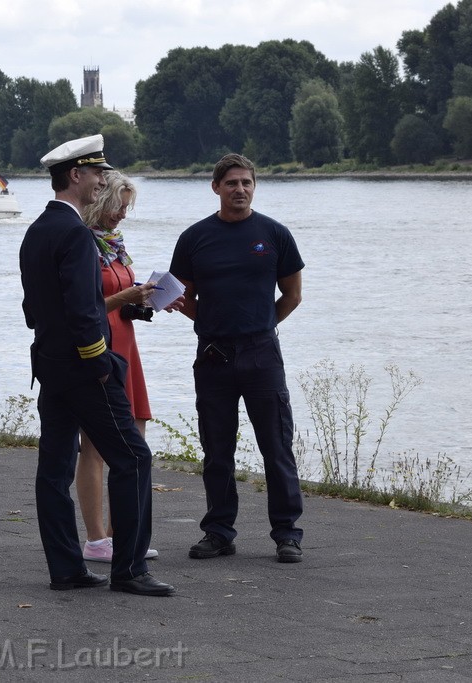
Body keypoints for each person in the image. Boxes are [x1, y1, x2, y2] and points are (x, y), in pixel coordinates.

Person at [19, 134, 175, 597]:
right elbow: (84, 311)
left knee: (54, 470)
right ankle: (129, 569)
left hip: (49, 366)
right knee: (134, 458)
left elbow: (33, 310)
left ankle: (66, 569)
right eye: (98, 173)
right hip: (85, 370)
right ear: (76, 176)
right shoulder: (75, 233)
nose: (103, 181)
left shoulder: (37, 230)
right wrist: (100, 361)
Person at [169, 153, 305, 564]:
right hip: (213, 356)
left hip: (262, 354)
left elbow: (293, 296)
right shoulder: (195, 238)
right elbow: (180, 298)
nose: (240, 190)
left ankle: (287, 534)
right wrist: (213, 323)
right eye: (231, 183)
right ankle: (219, 532)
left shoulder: (274, 234)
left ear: (254, 187)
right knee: (217, 449)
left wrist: (260, 326)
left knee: (276, 447)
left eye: (246, 183)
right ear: (216, 188)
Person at [75, 171, 160, 563]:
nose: (122, 214)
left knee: (135, 439)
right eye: (117, 206)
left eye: (126, 207)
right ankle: (95, 539)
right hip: (100, 348)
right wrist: (126, 294)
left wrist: (145, 302)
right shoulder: (83, 244)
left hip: (126, 344)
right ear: (98, 199)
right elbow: (84, 308)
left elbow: (118, 300)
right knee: (94, 447)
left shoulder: (115, 245)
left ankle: (120, 533)